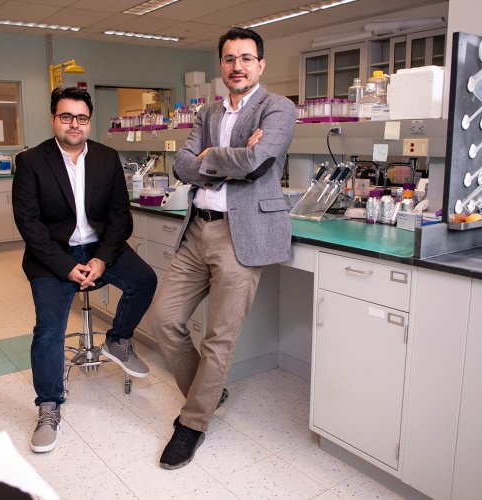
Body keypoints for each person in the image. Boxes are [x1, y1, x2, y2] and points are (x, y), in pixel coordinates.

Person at [148, 27, 296, 469]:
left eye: (246, 58)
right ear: (221, 65)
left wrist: (208, 158)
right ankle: (208, 393)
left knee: (219, 338)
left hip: (242, 234)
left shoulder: (280, 108)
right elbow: (181, 164)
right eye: (230, 59)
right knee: (164, 319)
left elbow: (256, 163)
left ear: (260, 64)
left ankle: (192, 424)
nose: (238, 66)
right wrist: (223, 156)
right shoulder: (207, 111)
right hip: (197, 229)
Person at [12, 87, 157, 453]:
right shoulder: (31, 162)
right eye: (66, 116)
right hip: (52, 254)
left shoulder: (108, 158)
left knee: (145, 280)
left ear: (89, 121)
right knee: (48, 330)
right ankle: (48, 405)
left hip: (99, 248)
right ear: (53, 119)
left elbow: (119, 217)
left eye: (81, 118)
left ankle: (117, 340)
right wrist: (65, 267)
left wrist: (100, 260)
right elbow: (29, 224)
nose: (74, 124)